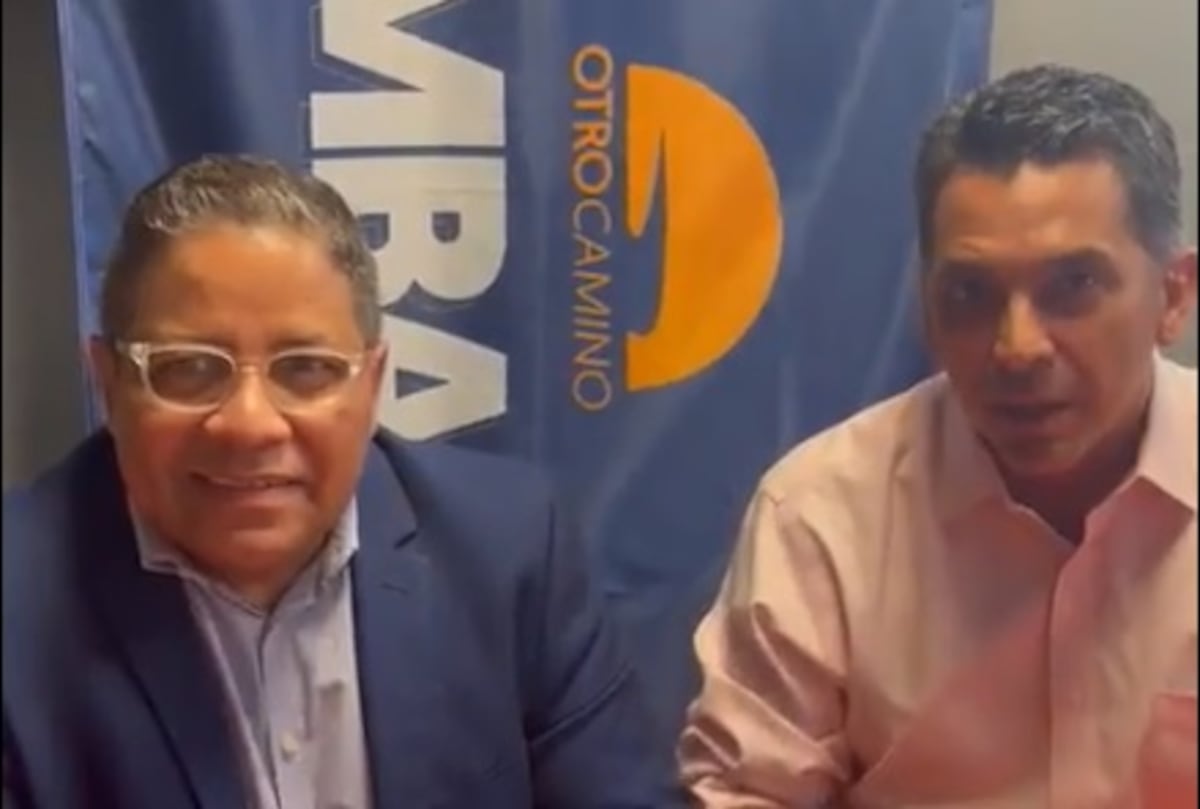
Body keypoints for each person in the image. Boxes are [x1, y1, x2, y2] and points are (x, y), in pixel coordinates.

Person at [2, 154, 671, 808]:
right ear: (109, 382)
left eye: (306, 369)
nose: (250, 424)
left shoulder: (507, 551)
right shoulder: (20, 600)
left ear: (372, 384)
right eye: (188, 368)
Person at [678, 64, 1198, 807]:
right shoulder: (821, 515)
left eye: (1072, 286)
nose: (1017, 347)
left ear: (1173, 297)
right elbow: (747, 791)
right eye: (970, 294)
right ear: (925, 306)